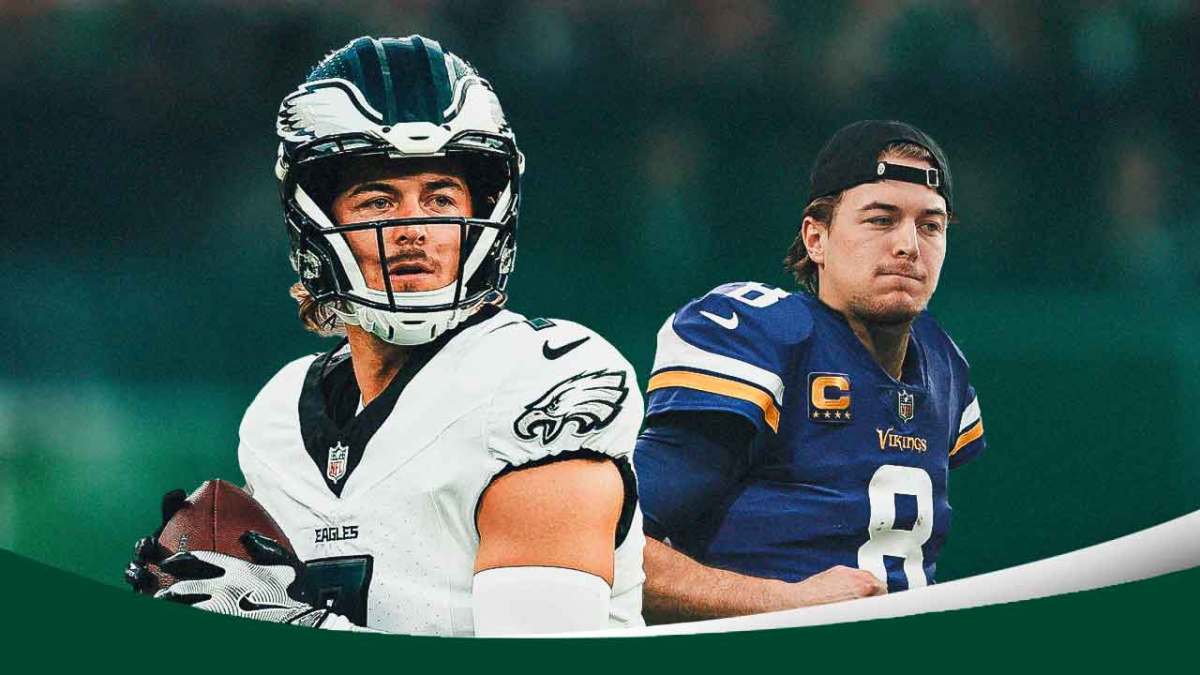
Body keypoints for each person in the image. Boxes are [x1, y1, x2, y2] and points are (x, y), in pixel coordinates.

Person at [125, 35, 645, 637]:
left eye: (441, 198)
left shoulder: (542, 380)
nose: (415, 230)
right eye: (378, 202)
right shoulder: (277, 418)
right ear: (316, 225)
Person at [634, 120, 986, 622]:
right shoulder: (763, 339)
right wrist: (785, 602)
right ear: (816, 238)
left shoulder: (943, 364)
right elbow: (600, 546)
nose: (909, 246)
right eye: (881, 220)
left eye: (930, 225)